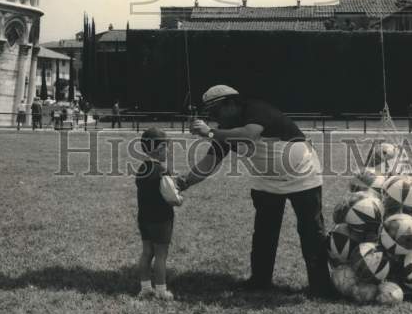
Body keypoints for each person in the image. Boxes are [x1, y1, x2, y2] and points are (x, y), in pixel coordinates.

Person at [176, 85, 334, 298]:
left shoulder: (256, 109)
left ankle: (321, 287)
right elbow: (208, 164)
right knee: (264, 233)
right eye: (209, 115)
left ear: (231, 103)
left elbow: (249, 135)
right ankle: (260, 280)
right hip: (266, 181)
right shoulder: (226, 131)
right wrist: (184, 182)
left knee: (311, 231)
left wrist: (210, 132)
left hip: (303, 175)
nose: (213, 118)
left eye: (214, 112)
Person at [136, 126, 180, 301]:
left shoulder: (142, 168)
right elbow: (172, 195)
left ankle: (145, 288)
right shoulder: (162, 170)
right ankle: (161, 290)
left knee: (147, 252)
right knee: (161, 254)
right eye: (167, 148)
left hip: (144, 218)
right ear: (160, 148)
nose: (168, 151)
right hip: (161, 219)